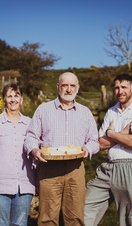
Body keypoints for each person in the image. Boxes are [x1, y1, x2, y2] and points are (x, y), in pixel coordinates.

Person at [24, 72, 99, 226]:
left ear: (77, 88)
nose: (69, 89)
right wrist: (35, 150)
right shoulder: (43, 110)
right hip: (49, 169)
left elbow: (94, 140)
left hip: (75, 169)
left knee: (75, 217)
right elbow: (30, 137)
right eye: (65, 85)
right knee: (47, 217)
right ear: (58, 87)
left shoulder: (85, 112)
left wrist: (87, 148)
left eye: (72, 86)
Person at [84, 73, 132, 226]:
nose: (120, 91)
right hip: (109, 168)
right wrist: (122, 134)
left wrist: (111, 133)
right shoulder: (111, 111)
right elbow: (100, 144)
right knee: (85, 207)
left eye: (124, 87)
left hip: (129, 169)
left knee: (128, 218)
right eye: (117, 88)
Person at [0, 83, 36, 226]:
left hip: (24, 184)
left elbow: (36, 154)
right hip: (1, 183)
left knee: (19, 223)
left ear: (21, 99)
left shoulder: (30, 123)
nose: (13, 99)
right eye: (9, 96)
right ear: (4, 99)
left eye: (16, 95)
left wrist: (38, 181)